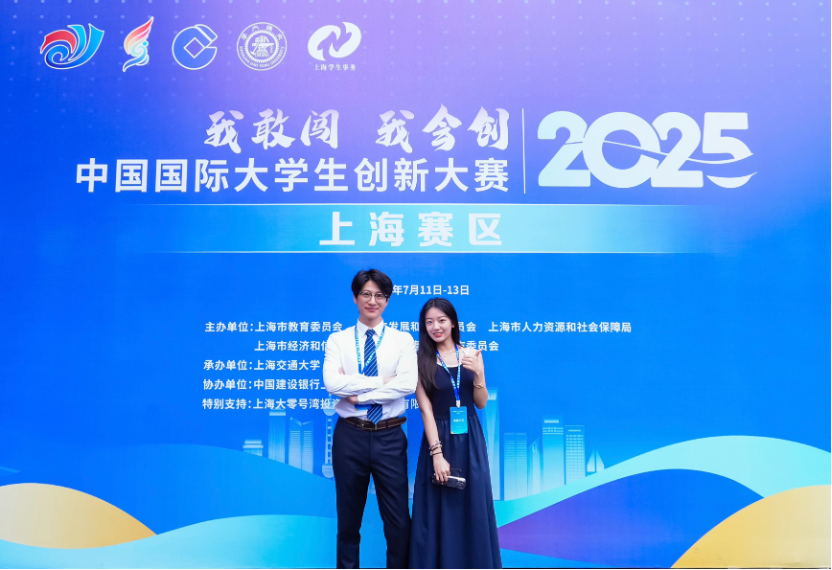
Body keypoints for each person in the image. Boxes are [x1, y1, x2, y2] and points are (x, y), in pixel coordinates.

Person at [323, 269, 418, 569]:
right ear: (355, 297)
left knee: (399, 522)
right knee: (348, 523)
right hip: (350, 436)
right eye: (366, 294)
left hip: (390, 436)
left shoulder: (402, 340)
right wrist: (382, 382)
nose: (372, 301)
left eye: (379, 295)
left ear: (387, 300)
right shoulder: (338, 340)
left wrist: (358, 394)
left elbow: (407, 384)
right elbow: (332, 383)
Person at [409, 298, 502, 569]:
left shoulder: (472, 354)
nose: (435, 327)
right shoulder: (420, 361)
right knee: (438, 507)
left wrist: (479, 375)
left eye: (441, 320)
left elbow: (481, 403)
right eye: (429, 322)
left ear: (452, 323)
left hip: (470, 440)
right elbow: (425, 410)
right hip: (438, 438)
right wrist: (437, 454)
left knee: (473, 505)